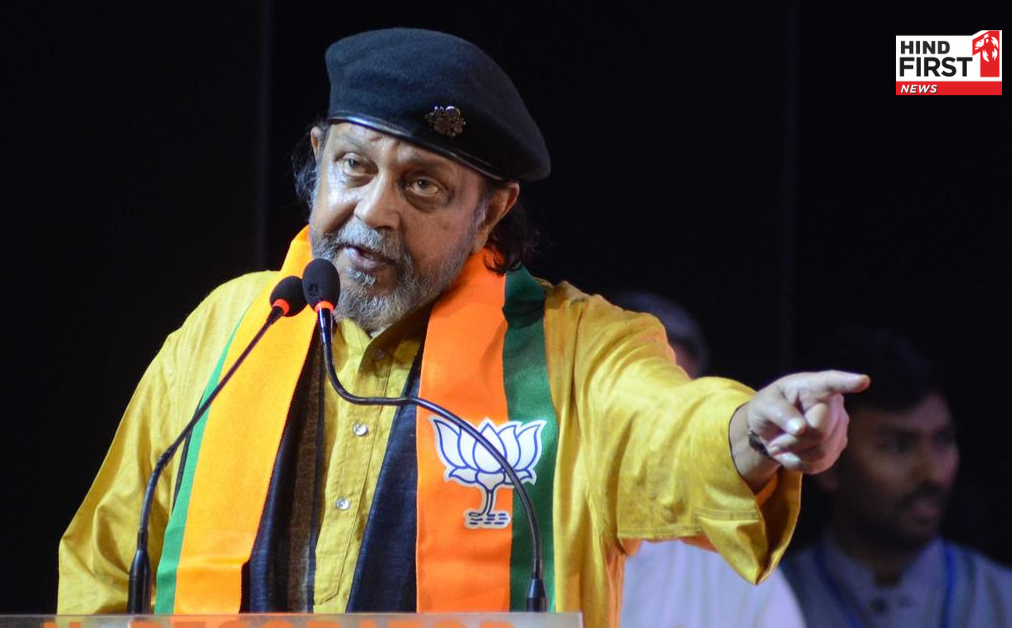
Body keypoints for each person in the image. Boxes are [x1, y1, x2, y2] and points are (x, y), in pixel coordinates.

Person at [58, 28, 868, 626]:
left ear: (492, 210)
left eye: (423, 186)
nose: (374, 211)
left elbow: (669, 430)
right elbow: (105, 562)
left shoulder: (573, 354)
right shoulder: (231, 330)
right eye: (354, 167)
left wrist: (752, 432)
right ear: (318, 154)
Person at [782, 327, 1012, 627]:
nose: (932, 473)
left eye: (942, 440)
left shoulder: (1001, 599)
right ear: (827, 465)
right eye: (897, 446)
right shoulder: (773, 600)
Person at [614, 291, 805, 628]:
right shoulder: (536, 526)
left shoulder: (731, 564)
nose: (661, 424)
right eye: (642, 402)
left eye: (681, 405)